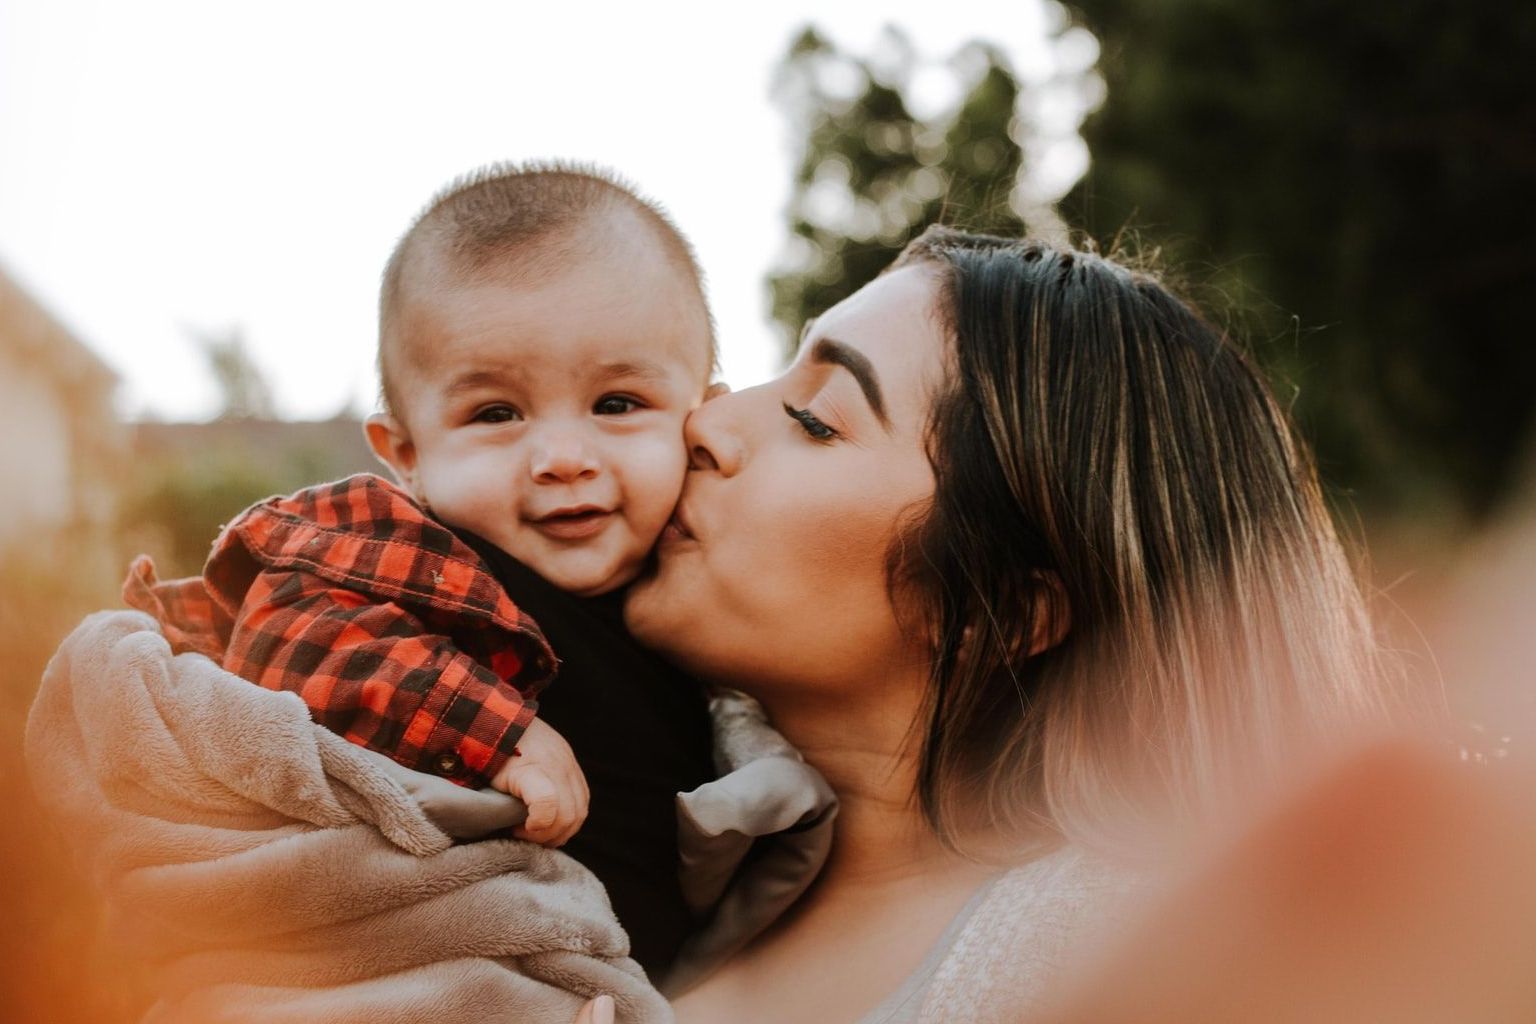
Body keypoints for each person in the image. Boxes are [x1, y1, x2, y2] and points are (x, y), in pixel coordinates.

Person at [586, 226, 1392, 1023]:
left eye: (815, 419)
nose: (706, 423)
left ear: (1001, 611)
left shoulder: (1126, 968)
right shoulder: (620, 853)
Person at [121, 162, 723, 978]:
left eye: (617, 403)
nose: (562, 458)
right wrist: (493, 732)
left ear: (705, 415)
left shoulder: (711, 586)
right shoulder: (417, 554)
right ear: (407, 456)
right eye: (495, 414)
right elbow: (291, 632)